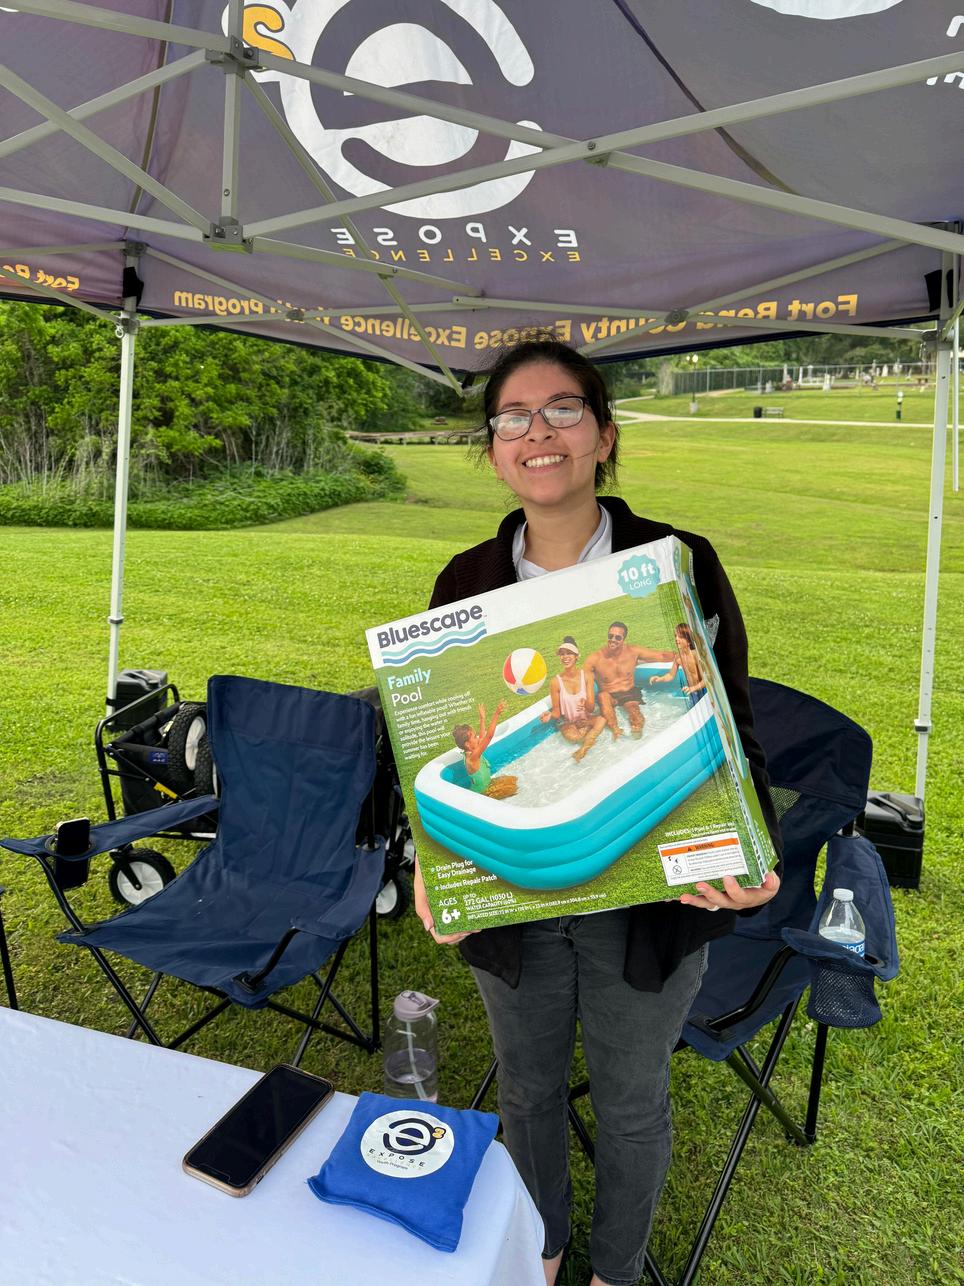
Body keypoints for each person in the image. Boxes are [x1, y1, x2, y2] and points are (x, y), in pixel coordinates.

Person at [413, 338, 782, 1286]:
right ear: (493, 449)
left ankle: (615, 1270)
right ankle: (539, 1254)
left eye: (563, 411)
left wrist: (752, 848)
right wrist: (429, 864)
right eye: (513, 418)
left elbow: (730, 718)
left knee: (630, 1100)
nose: (538, 433)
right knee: (528, 1091)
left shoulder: (677, 562)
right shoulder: (464, 582)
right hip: (513, 891)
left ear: (604, 434)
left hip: (650, 895)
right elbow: (439, 742)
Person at [583, 622, 676, 739]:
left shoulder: (633, 651)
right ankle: (616, 731)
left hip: (629, 693)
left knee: (635, 713)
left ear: (623, 639)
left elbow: (662, 655)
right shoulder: (594, 659)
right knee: (603, 697)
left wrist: (682, 655)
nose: (613, 640)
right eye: (610, 636)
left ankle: (637, 737)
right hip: (609, 695)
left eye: (618, 637)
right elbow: (582, 682)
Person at [540, 636, 608, 762]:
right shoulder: (555, 682)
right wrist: (549, 716)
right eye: (562, 654)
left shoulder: (587, 676)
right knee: (575, 738)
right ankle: (587, 744)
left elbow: (591, 708)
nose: (565, 657)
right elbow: (557, 712)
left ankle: (583, 750)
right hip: (568, 722)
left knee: (602, 720)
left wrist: (585, 704)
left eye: (569, 653)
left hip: (586, 718)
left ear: (577, 656)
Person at [452, 700, 517, 799]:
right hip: (483, 793)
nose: (477, 738)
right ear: (468, 744)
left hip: (487, 785)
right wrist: (496, 714)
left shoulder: (471, 752)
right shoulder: (472, 758)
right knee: (512, 789)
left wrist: (482, 719)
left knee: (513, 779)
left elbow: (482, 737)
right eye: (474, 737)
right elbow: (488, 736)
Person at [650, 622, 707, 703]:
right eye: (675, 636)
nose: (676, 639)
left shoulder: (696, 655)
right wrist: (659, 679)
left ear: (688, 641)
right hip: (692, 691)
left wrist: (693, 688)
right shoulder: (678, 657)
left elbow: (706, 679)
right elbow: (670, 675)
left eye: (680, 637)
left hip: (703, 690)